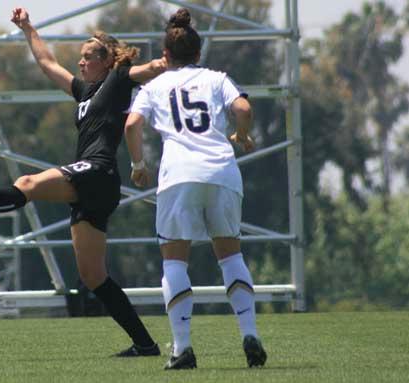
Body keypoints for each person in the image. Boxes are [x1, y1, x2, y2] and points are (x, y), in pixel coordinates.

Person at [0, 7, 166, 357]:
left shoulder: (118, 79)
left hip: (98, 172)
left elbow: (149, 70)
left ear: (107, 60)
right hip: (94, 185)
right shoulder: (84, 91)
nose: (81, 63)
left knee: (27, 183)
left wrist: (169, 60)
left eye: (88, 57)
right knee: (93, 277)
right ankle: (145, 345)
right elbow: (47, 64)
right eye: (81, 58)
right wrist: (28, 30)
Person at [124, 8, 267, 370]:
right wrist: (243, 134)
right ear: (198, 54)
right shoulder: (217, 79)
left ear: (166, 57)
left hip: (179, 177)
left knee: (174, 261)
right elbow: (244, 108)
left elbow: (132, 125)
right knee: (231, 257)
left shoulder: (153, 86)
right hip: (222, 172)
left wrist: (139, 165)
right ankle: (250, 334)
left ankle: (183, 349)